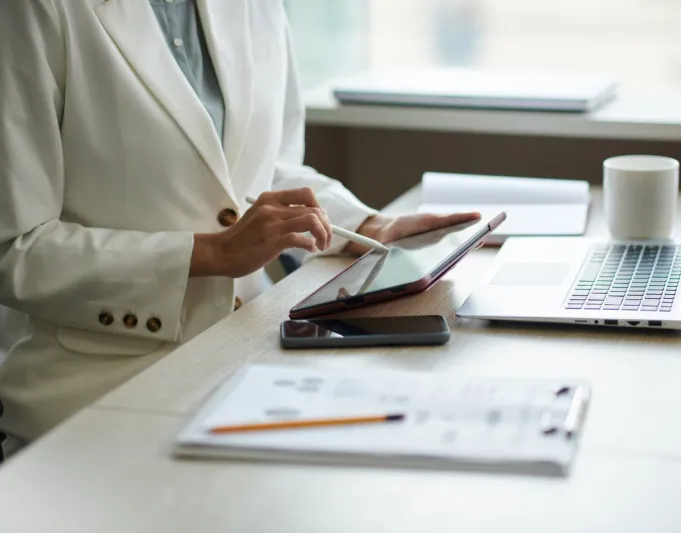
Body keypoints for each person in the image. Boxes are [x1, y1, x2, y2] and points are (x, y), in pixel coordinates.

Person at [0, 0, 478, 457]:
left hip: (252, 351)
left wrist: (365, 224)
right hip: (101, 390)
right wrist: (208, 254)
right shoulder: (35, 9)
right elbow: (15, 249)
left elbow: (263, 171)